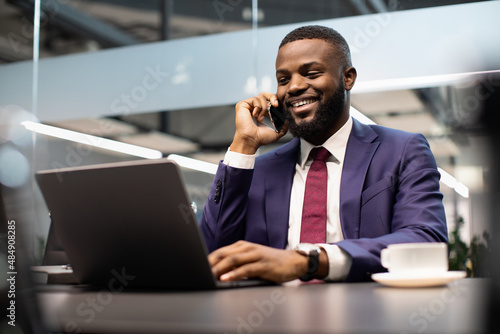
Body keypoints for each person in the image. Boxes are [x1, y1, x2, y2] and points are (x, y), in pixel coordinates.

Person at [200, 25, 447, 283]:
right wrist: (244, 143)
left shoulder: (402, 151)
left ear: (348, 78)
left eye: (312, 73)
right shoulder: (261, 169)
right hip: (273, 317)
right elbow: (214, 251)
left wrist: (309, 261)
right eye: (283, 80)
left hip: (369, 316)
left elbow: (426, 240)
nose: (293, 87)